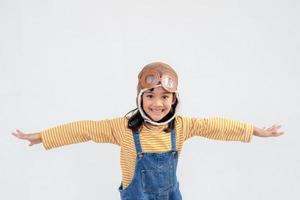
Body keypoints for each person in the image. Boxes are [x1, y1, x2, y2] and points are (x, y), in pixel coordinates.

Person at [12, 62, 284, 200]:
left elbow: (217, 126)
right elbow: (83, 130)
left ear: (174, 100)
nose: (157, 103)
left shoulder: (183, 126)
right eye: (150, 95)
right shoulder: (123, 128)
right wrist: (42, 137)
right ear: (140, 97)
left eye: (165, 97)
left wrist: (256, 131)